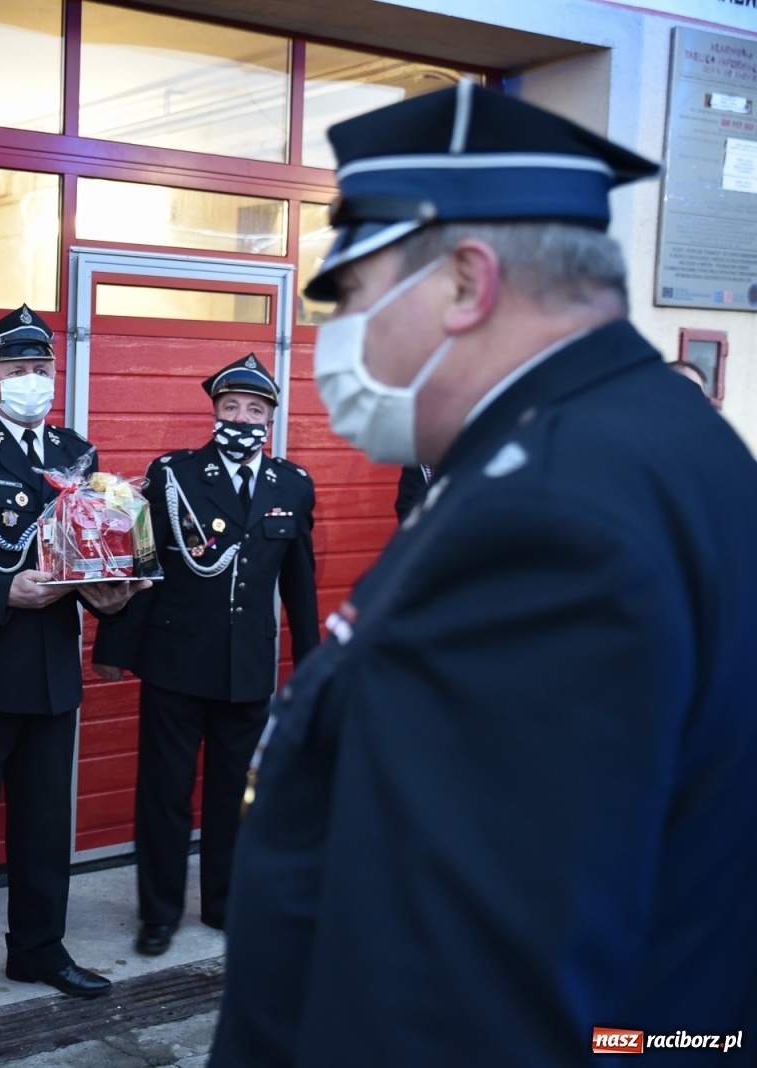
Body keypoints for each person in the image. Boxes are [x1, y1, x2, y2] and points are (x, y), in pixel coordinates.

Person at [212, 82, 757, 1065]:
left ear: (467, 283)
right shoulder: (667, 444)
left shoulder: (540, 517)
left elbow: (458, 1003)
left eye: (357, 294)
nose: (340, 338)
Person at [0, 305, 146, 1025]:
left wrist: (112, 599)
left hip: (52, 673)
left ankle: (40, 949)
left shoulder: (77, 452)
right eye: (16, 369)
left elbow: (96, 551)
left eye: (40, 368)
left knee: (48, 826)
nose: (30, 380)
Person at [91, 354, 317, 957]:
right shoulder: (174, 474)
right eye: (231, 407)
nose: (242, 417)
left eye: (255, 409)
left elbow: (300, 583)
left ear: (270, 416)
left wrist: (316, 662)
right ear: (214, 412)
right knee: (164, 794)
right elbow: (147, 565)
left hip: (248, 669)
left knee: (234, 796)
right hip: (176, 663)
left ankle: (224, 903)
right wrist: (114, 647)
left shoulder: (291, 485)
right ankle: (159, 914)